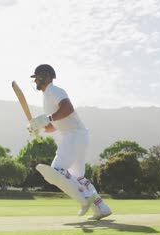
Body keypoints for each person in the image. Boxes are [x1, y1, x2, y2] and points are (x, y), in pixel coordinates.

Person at [28, 64, 112, 220]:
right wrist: (39, 128)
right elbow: (55, 125)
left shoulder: (54, 90)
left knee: (57, 170)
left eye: (37, 77)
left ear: (46, 77)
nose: (35, 82)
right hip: (76, 135)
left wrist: (46, 119)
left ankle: (84, 200)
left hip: (75, 135)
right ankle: (102, 208)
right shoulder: (46, 96)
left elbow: (67, 108)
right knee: (78, 177)